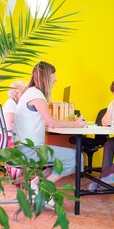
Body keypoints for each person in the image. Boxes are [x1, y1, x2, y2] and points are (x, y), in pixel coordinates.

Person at [13, 61, 87, 204]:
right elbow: (50, 122)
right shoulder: (37, 95)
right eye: (53, 75)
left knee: (59, 160)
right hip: (30, 151)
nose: (55, 79)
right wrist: (76, 124)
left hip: (24, 149)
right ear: (46, 77)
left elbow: (45, 121)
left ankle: (34, 185)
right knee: (76, 157)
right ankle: (41, 189)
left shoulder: (29, 93)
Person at [0, 80, 28, 149]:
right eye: (24, 93)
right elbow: (10, 126)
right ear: (16, 93)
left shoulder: (13, 104)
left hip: (6, 138)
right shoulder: (11, 103)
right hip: (5, 140)